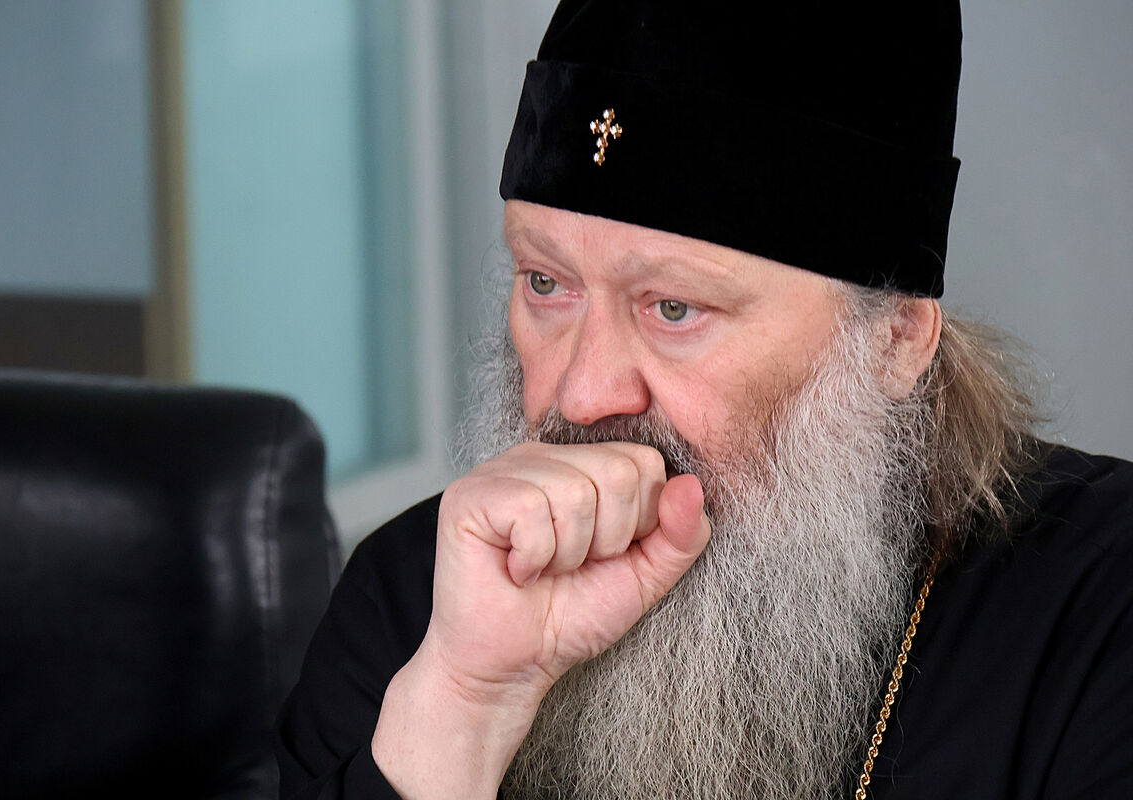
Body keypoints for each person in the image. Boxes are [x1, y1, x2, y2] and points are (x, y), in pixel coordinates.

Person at [275, 2, 1133, 798]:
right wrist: (465, 707)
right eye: (545, 283)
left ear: (893, 342)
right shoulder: (417, 610)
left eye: (674, 308)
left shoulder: (1101, 613)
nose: (583, 394)